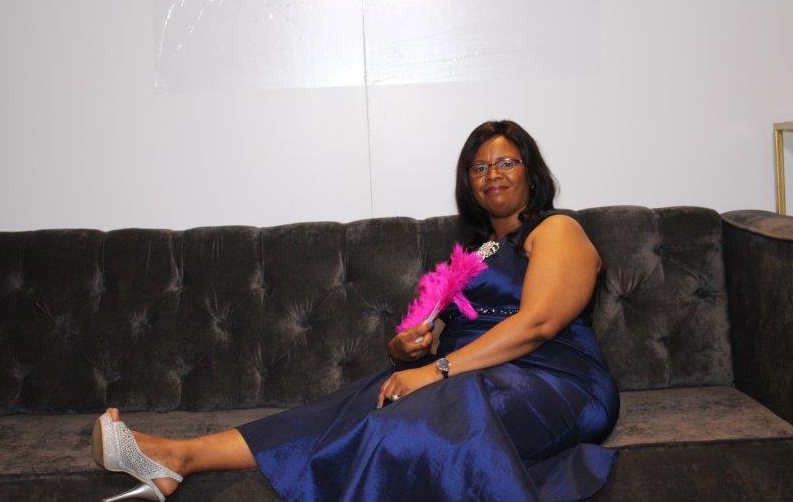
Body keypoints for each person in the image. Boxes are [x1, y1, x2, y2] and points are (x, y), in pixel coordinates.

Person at [92, 120, 620, 501]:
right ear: (469, 183)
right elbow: (427, 333)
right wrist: (405, 350)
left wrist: (436, 370)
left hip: (554, 381)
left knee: (418, 415)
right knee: (357, 401)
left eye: (506, 162)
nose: (492, 174)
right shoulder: (471, 255)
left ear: (531, 172)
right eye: (479, 167)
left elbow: (539, 323)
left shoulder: (556, 229)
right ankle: (178, 457)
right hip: (472, 375)